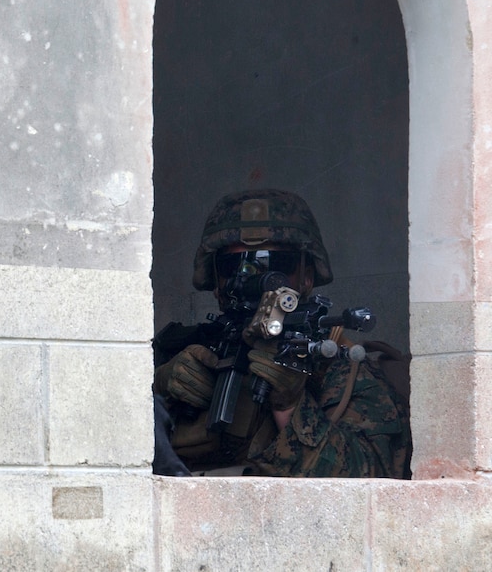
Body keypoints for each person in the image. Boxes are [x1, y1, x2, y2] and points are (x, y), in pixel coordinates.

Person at [152, 188, 410, 477]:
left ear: (307, 277)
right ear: (216, 280)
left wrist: (289, 408)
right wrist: (155, 388)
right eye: (234, 266)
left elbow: (378, 484)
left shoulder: (342, 371)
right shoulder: (188, 352)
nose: (252, 279)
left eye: (274, 265)